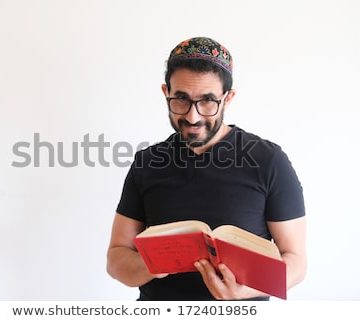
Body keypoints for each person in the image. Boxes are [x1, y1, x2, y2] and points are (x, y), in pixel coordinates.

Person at [106, 36, 307, 300]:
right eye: (181, 99)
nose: (192, 116)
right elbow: (116, 256)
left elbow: (296, 260)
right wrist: (151, 264)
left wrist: (243, 291)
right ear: (166, 93)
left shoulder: (269, 161)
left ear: (228, 98)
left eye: (207, 101)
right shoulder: (147, 162)